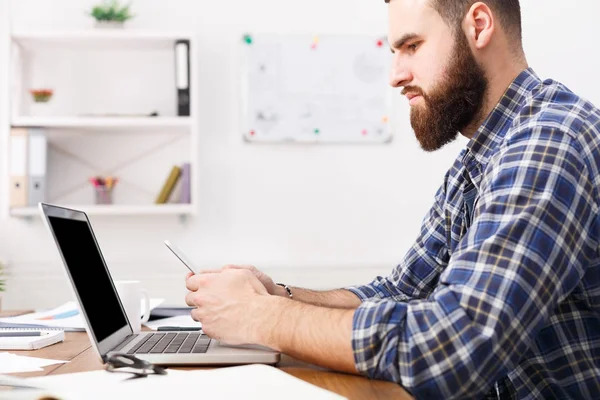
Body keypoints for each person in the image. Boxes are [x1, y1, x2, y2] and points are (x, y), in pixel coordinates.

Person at [185, 0, 600, 398]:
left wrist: (259, 317)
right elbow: (401, 290)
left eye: (412, 47)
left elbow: (455, 347)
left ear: (478, 26)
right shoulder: (485, 155)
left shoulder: (550, 142)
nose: (395, 75)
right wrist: (278, 295)